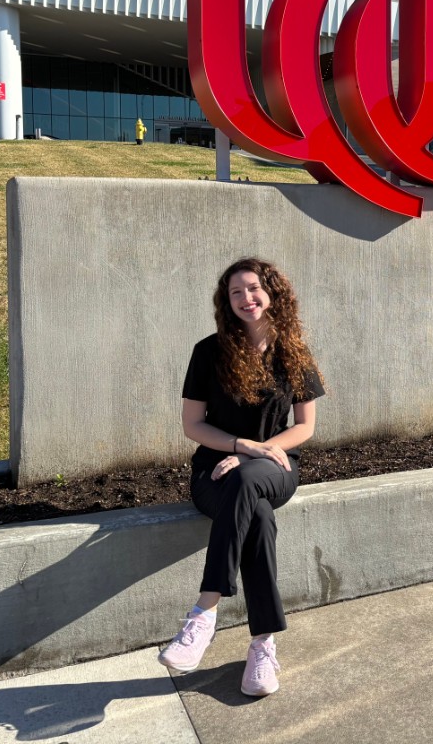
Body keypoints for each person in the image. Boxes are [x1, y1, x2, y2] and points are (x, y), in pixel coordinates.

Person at [158, 257, 324, 697]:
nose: (245, 298)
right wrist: (241, 447)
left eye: (253, 288)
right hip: (213, 473)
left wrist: (258, 457)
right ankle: (262, 645)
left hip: (276, 469)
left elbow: (305, 427)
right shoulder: (208, 351)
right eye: (235, 292)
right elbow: (193, 425)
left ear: (272, 293)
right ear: (225, 301)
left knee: (250, 482)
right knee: (260, 518)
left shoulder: (294, 352)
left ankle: (205, 610)